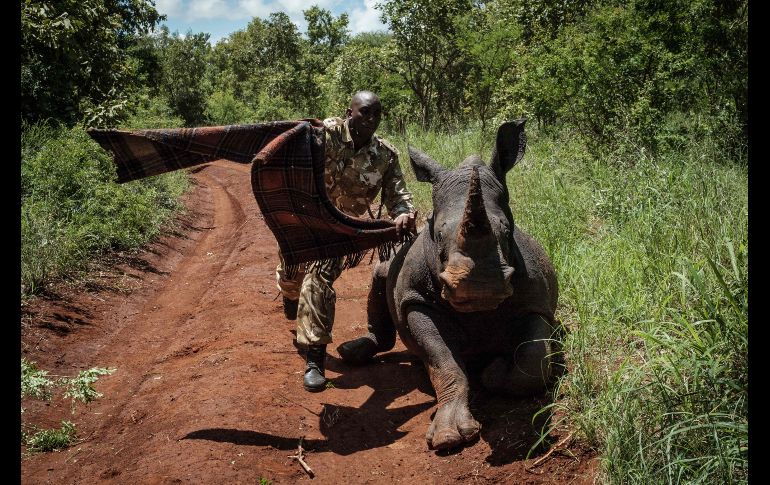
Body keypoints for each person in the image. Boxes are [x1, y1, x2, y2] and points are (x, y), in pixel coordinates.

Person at [276, 91, 417, 392]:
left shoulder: (385, 156)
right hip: (304, 221)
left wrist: (404, 213)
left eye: (377, 114)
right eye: (365, 112)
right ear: (349, 112)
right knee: (291, 275)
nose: (371, 119)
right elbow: (286, 150)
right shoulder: (321, 136)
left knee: (318, 279)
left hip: (341, 231)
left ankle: (315, 359)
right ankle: (289, 295)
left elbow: (399, 196)